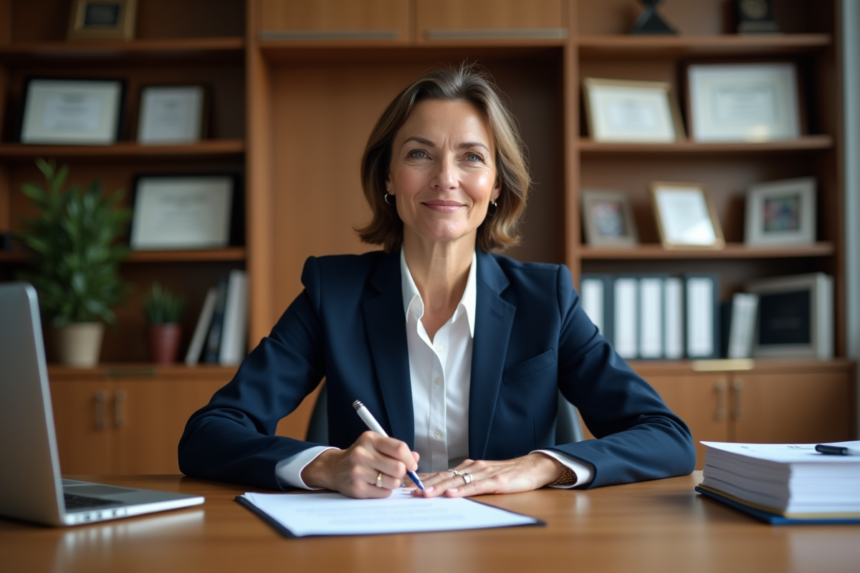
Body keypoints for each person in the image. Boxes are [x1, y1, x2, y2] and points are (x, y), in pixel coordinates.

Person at [178, 64, 695, 499]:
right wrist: (324, 466)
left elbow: (669, 437)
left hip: (518, 543)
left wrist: (538, 465)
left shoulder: (546, 299)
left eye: (471, 157)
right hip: (373, 546)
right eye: (419, 154)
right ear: (388, 178)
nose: (445, 177)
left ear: (495, 185)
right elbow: (208, 435)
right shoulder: (332, 293)